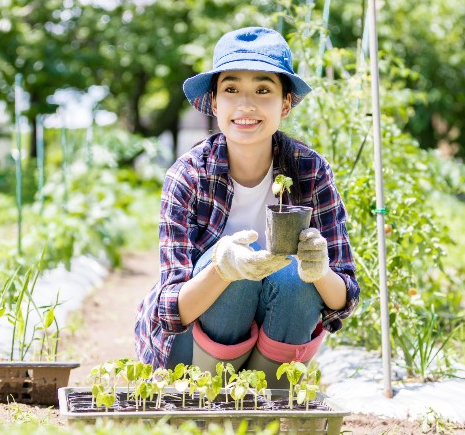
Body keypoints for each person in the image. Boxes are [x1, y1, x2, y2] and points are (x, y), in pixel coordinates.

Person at [134, 26, 360, 387]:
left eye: (263, 90)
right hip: (191, 350)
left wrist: (319, 272)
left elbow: (343, 299)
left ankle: (262, 404)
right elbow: (171, 309)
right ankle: (209, 401)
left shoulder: (310, 170)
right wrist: (222, 270)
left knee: (297, 276)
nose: (246, 104)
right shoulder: (189, 176)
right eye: (231, 89)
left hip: (279, 332)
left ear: (285, 103)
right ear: (214, 102)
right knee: (233, 267)